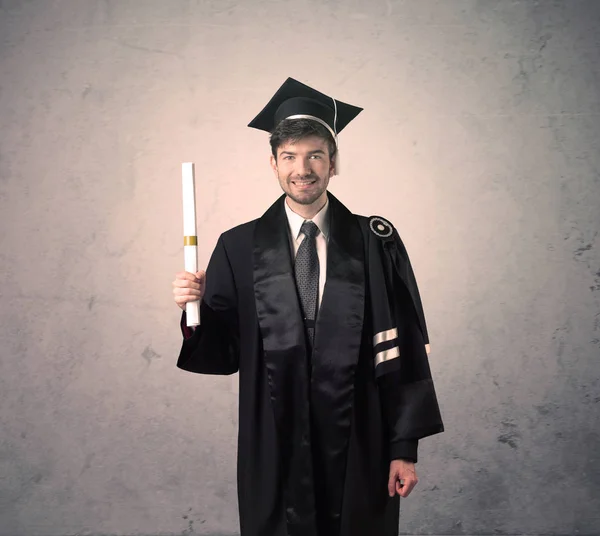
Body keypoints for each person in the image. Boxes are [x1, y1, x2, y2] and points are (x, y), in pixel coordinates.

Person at [172, 77, 444, 536]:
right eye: (291, 157)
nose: (304, 169)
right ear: (273, 164)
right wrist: (193, 311)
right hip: (274, 440)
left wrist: (404, 448)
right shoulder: (237, 247)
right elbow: (225, 354)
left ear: (333, 163)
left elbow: (406, 351)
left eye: (316, 155)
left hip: (361, 438)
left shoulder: (375, 242)